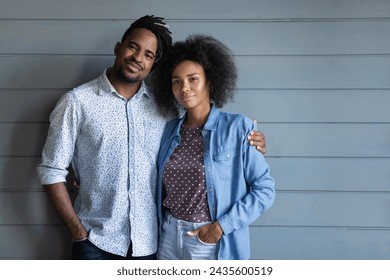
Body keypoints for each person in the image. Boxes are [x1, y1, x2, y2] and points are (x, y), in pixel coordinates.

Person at [37, 15, 266, 260]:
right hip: (95, 242)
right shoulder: (77, 102)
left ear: (154, 63)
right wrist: (78, 232)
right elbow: (51, 170)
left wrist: (251, 140)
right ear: (119, 47)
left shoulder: (164, 109)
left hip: (150, 245)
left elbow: (203, 126)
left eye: (148, 54)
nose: (138, 58)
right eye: (133, 47)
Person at [153, 34, 275, 260]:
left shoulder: (238, 128)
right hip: (168, 238)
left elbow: (265, 190)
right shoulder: (168, 131)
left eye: (193, 79)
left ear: (209, 81)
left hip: (208, 241)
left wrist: (220, 227)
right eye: (177, 81)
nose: (184, 88)